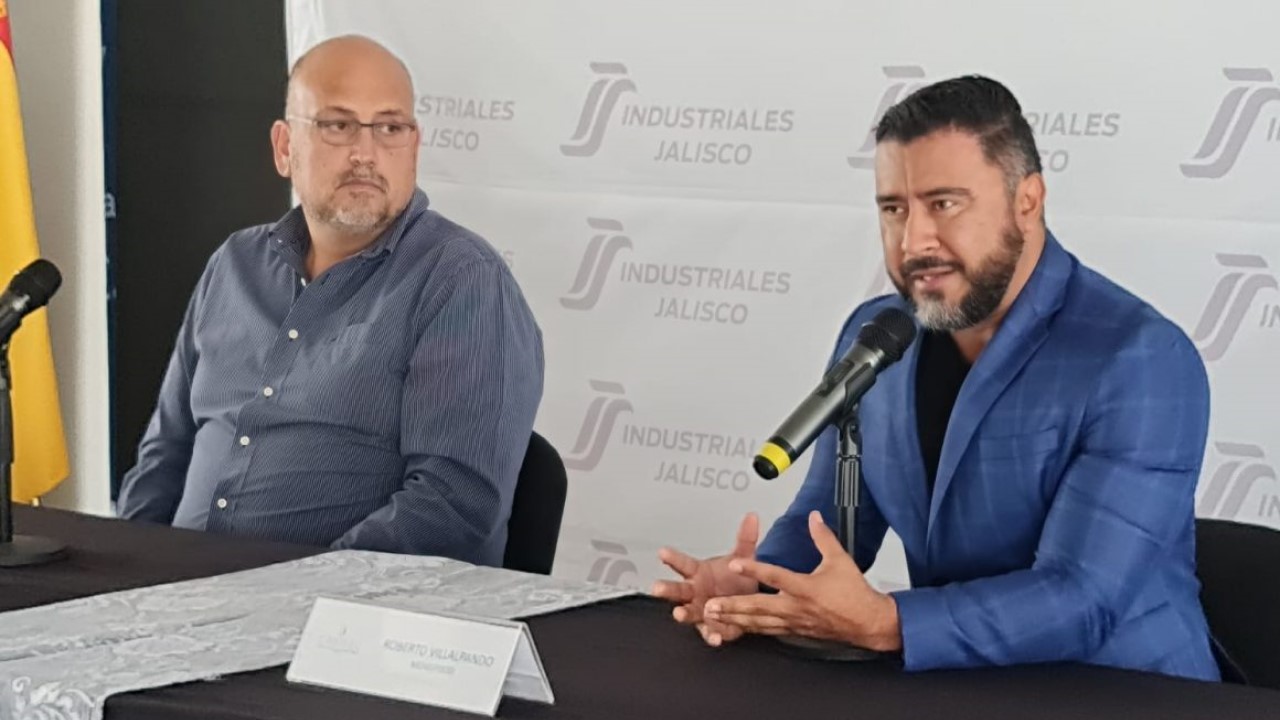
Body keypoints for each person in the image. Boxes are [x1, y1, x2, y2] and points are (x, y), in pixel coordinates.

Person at [652, 75, 1220, 681]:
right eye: (893, 209)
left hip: (1123, 691)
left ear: (1028, 201)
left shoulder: (1140, 358)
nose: (913, 240)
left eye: (944, 204)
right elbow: (830, 525)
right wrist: (756, 589)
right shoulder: (877, 336)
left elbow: (1083, 598)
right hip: (953, 687)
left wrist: (889, 623)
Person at [117, 35, 544, 567]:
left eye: (390, 128)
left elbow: (452, 507)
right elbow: (164, 456)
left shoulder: (460, 280)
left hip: (337, 608)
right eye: (338, 126)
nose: (366, 153)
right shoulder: (235, 264)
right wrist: (124, 573)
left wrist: (295, 589)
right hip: (178, 594)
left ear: (414, 146)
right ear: (284, 147)